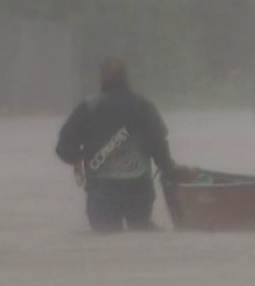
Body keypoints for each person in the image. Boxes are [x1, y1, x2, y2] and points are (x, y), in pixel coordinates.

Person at [56, 58, 177, 232]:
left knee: (104, 244)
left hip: (101, 192)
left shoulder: (87, 108)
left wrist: (79, 157)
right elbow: (158, 146)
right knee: (140, 238)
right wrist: (170, 169)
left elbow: (63, 147)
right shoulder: (143, 106)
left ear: (102, 78)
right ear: (126, 78)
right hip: (138, 189)